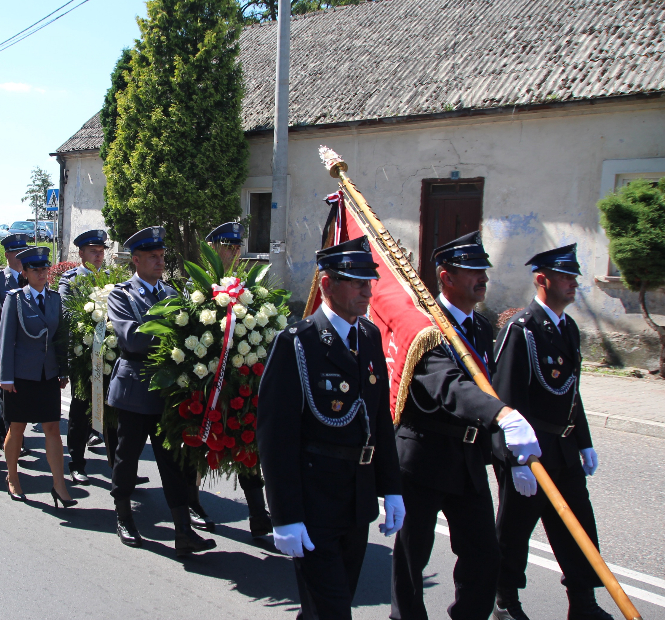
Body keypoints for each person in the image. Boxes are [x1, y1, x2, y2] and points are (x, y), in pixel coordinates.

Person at [390, 231, 542, 620]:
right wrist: (502, 416)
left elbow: (489, 387)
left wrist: (512, 451)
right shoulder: (426, 327)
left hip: (468, 459)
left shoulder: (480, 327)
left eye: (483, 271)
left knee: (483, 556)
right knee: (412, 557)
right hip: (425, 455)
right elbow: (449, 386)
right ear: (446, 277)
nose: (483, 278)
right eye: (472, 271)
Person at [258, 236, 403, 620]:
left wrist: (392, 489)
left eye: (368, 282)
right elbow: (276, 438)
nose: (366, 291)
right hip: (314, 500)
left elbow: (379, 421)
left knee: (326, 608)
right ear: (326, 284)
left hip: (357, 499)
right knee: (334, 611)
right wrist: (285, 515)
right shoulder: (297, 343)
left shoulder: (369, 337)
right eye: (356, 282)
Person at [491, 245, 611, 620]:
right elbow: (506, 399)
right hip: (531, 451)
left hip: (564, 448)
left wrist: (585, 441)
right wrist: (516, 460)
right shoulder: (521, 330)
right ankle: (504, 601)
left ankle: (583, 602)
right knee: (514, 532)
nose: (573, 284)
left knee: (578, 527)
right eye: (565, 277)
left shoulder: (568, 328)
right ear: (542, 280)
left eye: (574, 277)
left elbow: (572, 392)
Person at [107, 226, 215, 555]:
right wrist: (176, 338)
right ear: (136, 260)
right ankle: (124, 516)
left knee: (175, 462)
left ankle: (183, 531)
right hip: (135, 389)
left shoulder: (170, 293)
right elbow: (132, 338)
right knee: (127, 458)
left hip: (168, 393)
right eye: (152, 256)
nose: (159, 261)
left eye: (161, 255)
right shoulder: (122, 294)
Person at [189, 222, 272, 537]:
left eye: (238, 247)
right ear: (213, 248)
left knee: (246, 440)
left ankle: (257, 513)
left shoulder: (247, 287)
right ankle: (193, 502)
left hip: (240, 379)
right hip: (206, 381)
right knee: (199, 441)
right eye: (228, 246)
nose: (235, 252)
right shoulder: (196, 288)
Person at [0, 245, 74, 505]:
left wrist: (63, 370)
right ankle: (12, 476)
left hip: (47, 374)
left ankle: (59, 484)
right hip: (21, 375)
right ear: (25, 272)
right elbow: (6, 340)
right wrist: (6, 377)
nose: (42, 274)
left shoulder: (54, 299)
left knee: (52, 428)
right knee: (17, 427)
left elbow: (60, 338)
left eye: (44, 269)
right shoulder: (15, 299)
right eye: (36, 270)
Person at [58, 229, 113, 486]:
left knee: (113, 413)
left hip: (110, 354)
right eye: (93, 251)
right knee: (80, 412)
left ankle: (121, 469)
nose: (99, 255)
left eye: (101, 251)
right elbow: (65, 314)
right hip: (83, 354)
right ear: (80, 253)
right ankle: (77, 464)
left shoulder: (113, 278)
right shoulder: (70, 280)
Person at [0, 232, 31, 448]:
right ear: (7, 255)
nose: (21, 256)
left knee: (19, 397)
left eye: (24, 252)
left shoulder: (32, 277)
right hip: (4, 348)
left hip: (26, 350)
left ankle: (1, 432)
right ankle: (14, 441)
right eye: (16, 252)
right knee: (6, 395)